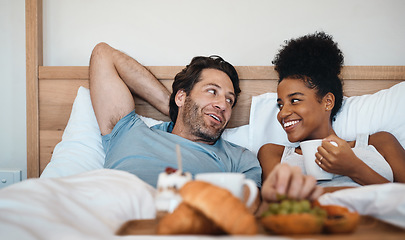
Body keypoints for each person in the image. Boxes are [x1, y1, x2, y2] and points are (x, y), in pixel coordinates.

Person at [89, 42, 322, 205]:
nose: (223, 104)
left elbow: (249, 208)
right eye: (212, 92)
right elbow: (103, 54)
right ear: (181, 96)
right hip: (106, 216)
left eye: (229, 100)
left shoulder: (239, 158)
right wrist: (174, 106)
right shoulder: (127, 131)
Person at [258, 32, 405, 187]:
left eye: (295, 100)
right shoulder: (274, 154)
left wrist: (354, 168)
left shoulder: (380, 143)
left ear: (327, 102)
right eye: (280, 105)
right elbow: (276, 207)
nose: (283, 113)